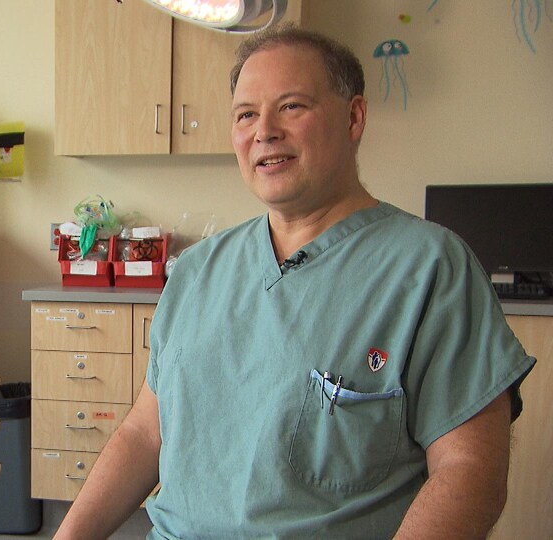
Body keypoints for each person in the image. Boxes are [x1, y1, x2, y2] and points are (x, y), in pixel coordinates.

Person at [54, 24, 535, 539]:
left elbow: (469, 474)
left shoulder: (428, 270)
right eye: (245, 114)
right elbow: (144, 434)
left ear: (354, 117)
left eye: (291, 107)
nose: (264, 131)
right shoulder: (196, 272)